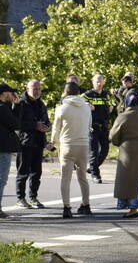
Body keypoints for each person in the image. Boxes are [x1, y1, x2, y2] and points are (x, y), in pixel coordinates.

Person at [51, 82, 93, 218]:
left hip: (67, 145)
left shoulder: (61, 108)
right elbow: (89, 125)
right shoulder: (86, 107)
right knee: (83, 177)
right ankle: (86, 204)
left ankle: (67, 207)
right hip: (83, 145)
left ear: (66, 92)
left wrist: (54, 143)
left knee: (66, 178)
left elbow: (56, 129)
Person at [110, 93, 138, 219]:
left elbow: (113, 136)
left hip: (127, 152)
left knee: (129, 180)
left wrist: (118, 142)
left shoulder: (123, 117)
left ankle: (132, 209)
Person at [15, 79, 50, 209]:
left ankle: (33, 197)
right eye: (34, 88)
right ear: (27, 88)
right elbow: (17, 123)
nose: (37, 91)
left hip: (38, 142)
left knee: (36, 172)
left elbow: (46, 121)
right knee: (23, 171)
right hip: (25, 142)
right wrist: (35, 125)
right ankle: (20, 198)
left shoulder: (41, 104)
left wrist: (46, 126)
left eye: (39, 89)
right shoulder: (21, 103)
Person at [83, 73, 113, 183]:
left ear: (104, 82)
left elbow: (111, 105)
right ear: (93, 82)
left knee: (105, 150)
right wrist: (86, 105)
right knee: (93, 151)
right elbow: (77, 102)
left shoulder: (106, 95)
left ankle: (92, 167)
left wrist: (110, 108)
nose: (99, 83)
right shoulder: (88, 94)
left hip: (104, 126)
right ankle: (96, 175)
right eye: (97, 81)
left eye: (101, 81)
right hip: (93, 126)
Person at [0, 83, 20, 218]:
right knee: (1, 179)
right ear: (3, 93)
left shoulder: (4, 107)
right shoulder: (2, 108)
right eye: (10, 92)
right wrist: (17, 106)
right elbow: (15, 123)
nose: (12, 95)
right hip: (2, 148)